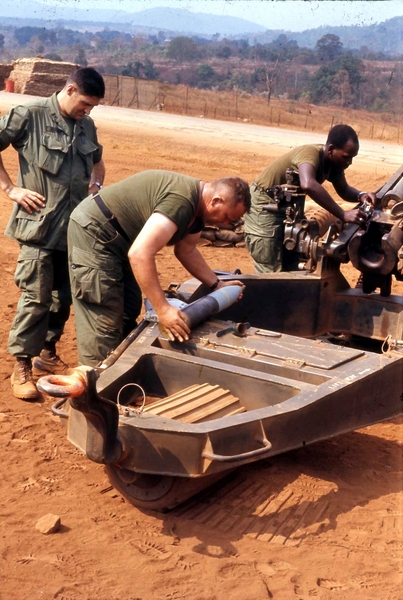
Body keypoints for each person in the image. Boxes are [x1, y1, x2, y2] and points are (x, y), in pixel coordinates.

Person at [67, 170, 251, 367]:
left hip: (120, 240)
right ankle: (91, 383)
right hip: (95, 232)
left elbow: (186, 251)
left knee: (129, 306)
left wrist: (217, 284)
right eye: (226, 217)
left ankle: (116, 371)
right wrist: (163, 309)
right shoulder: (181, 203)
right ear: (215, 201)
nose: (224, 224)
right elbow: (140, 254)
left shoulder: (198, 213)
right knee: (105, 313)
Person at [0, 67, 106, 400]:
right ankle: (22, 366)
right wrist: (10, 189)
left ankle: (46, 351)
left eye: (93, 107)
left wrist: (97, 184)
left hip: (74, 229)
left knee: (65, 297)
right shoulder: (30, 115)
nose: (87, 111)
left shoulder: (86, 125)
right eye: (85, 103)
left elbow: (98, 161)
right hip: (39, 227)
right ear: (71, 89)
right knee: (36, 297)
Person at [243, 124, 377, 273]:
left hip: (289, 209)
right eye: (346, 157)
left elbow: (344, 189)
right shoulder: (310, 154)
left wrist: (361, 195)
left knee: (292, 263)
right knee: (270, 266)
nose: (349, 162)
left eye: (352, 158)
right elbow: (308, 184)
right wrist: (343, 214)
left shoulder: (333, 164)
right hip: (264, 206)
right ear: (331, 149)